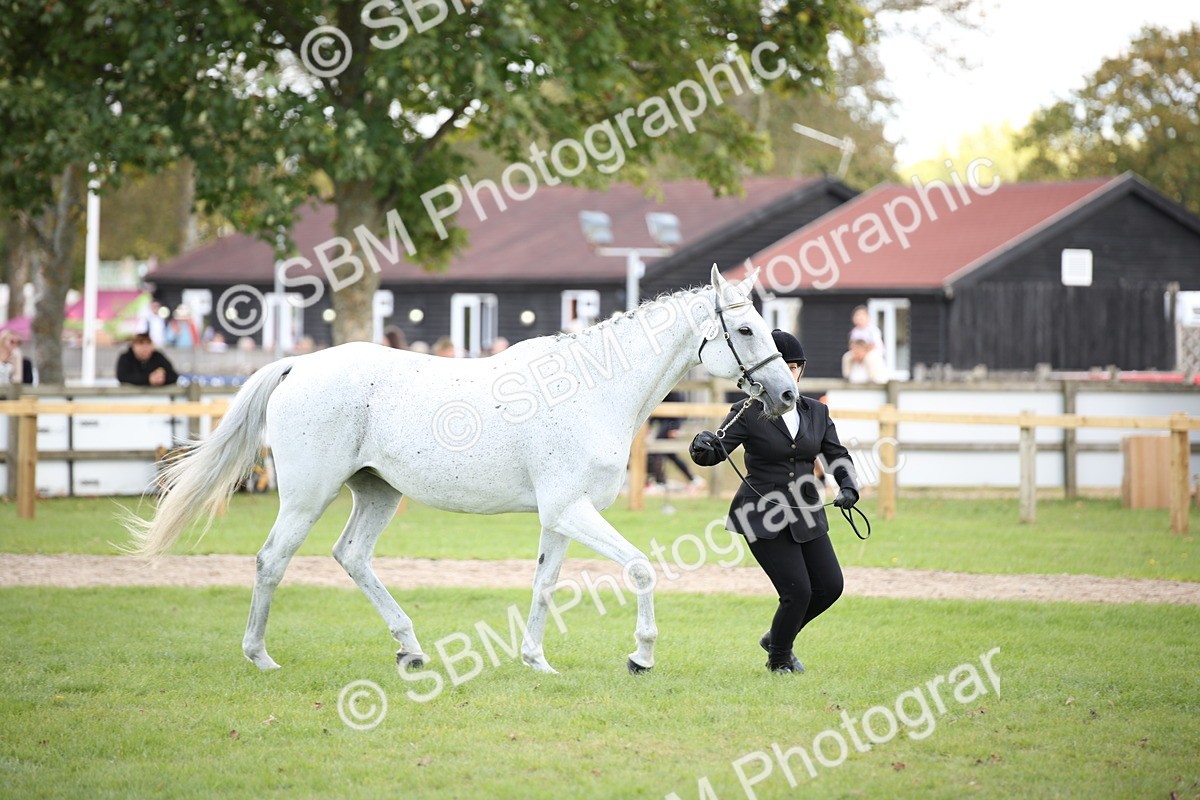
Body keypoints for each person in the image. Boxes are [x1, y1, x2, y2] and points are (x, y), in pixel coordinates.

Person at [689, 329, 859, 674]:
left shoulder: (817, 412)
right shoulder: (748, 411)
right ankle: (779, 658)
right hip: (761, 514)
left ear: (801, 369)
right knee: (798, 592)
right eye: (782, 366)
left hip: (807, 512)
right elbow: (716, 452)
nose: (788, 373)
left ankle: (776, 638)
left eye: (793, 367)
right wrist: (701, 446)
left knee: (830, 587)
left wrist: (848, 485)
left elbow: (836, 455)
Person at [647, 390, 705, 494]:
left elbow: (681, 409)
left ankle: (659, 482)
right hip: (665, 422)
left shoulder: (674, 391)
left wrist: (675, 427)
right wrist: (650, 423)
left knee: (657, 451)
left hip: (670, 424)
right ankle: (693, 479)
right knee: (670, 454)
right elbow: (659, 406)